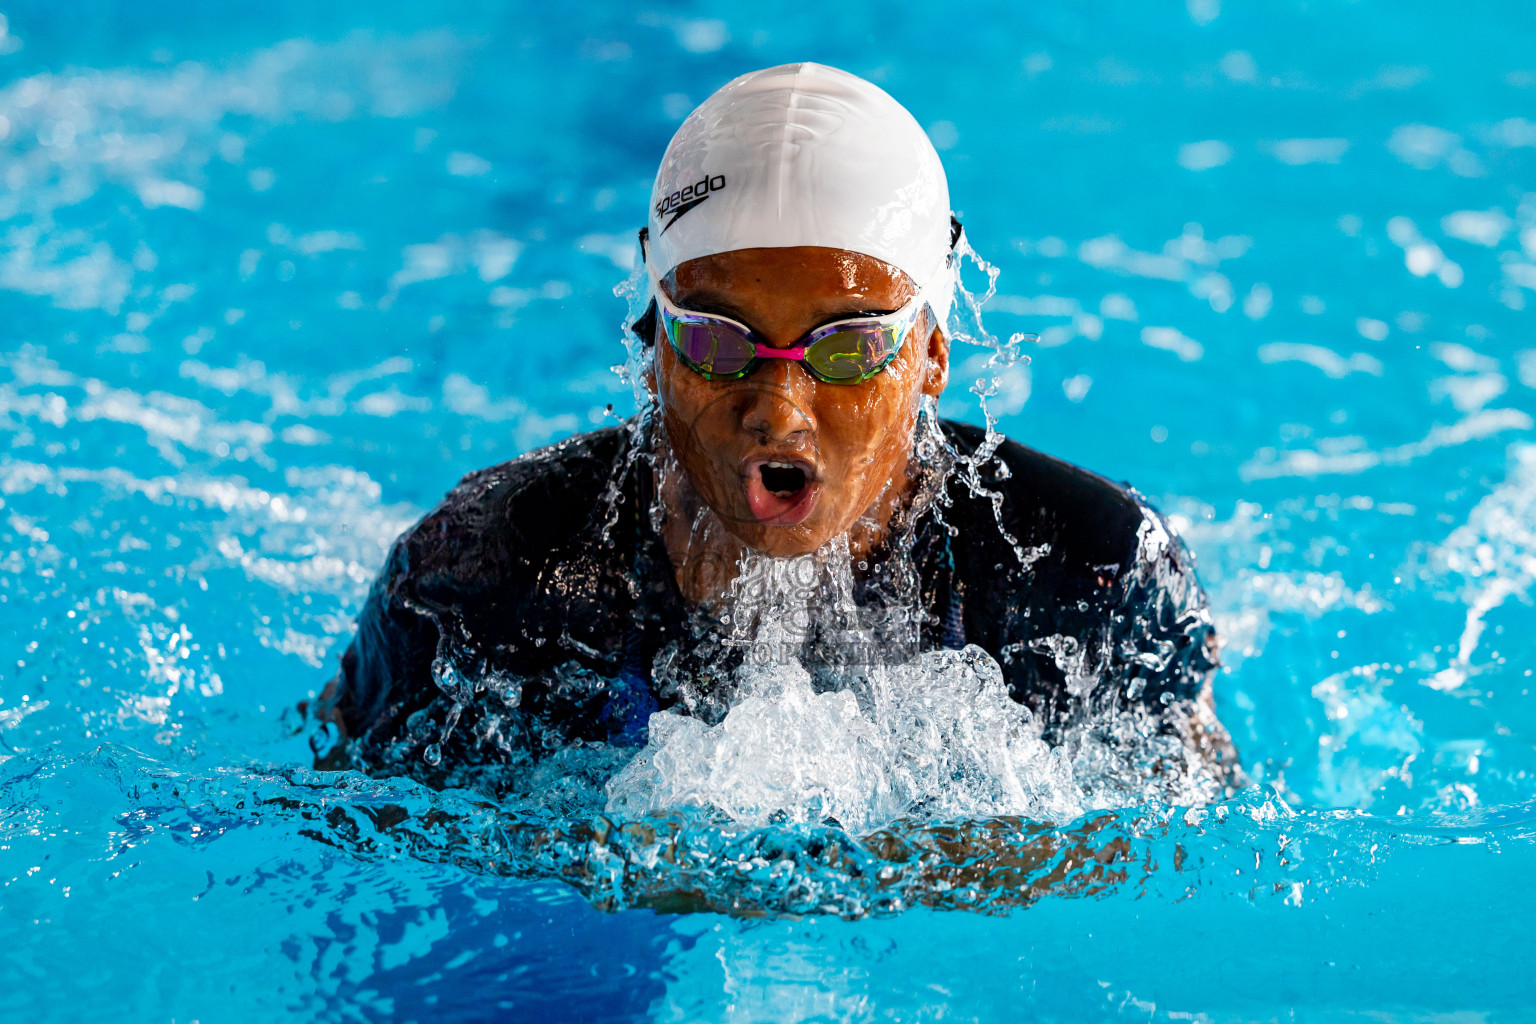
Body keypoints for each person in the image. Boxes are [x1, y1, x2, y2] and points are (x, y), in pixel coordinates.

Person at [311, 63, 1240, 800]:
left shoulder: (1094, 574)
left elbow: (1197, 844)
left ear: (930, 353)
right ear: (653, 347)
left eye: (845, 347)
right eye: (718, 339)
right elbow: (342, 823)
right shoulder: (480, 577)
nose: (779, 408)